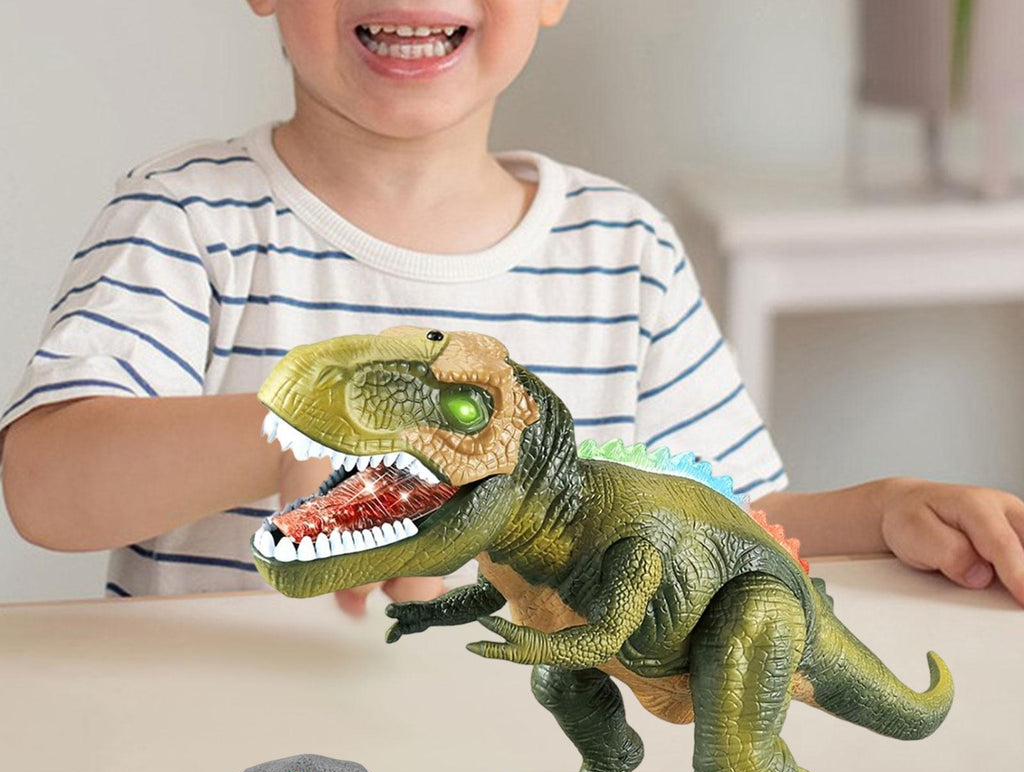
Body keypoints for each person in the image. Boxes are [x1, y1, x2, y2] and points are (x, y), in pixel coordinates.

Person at [3, 0, 1023, 613]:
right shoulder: (184, 220)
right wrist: (294, 427)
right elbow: (43, 487)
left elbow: (723, 525)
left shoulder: (622, 252)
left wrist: (882, 510)